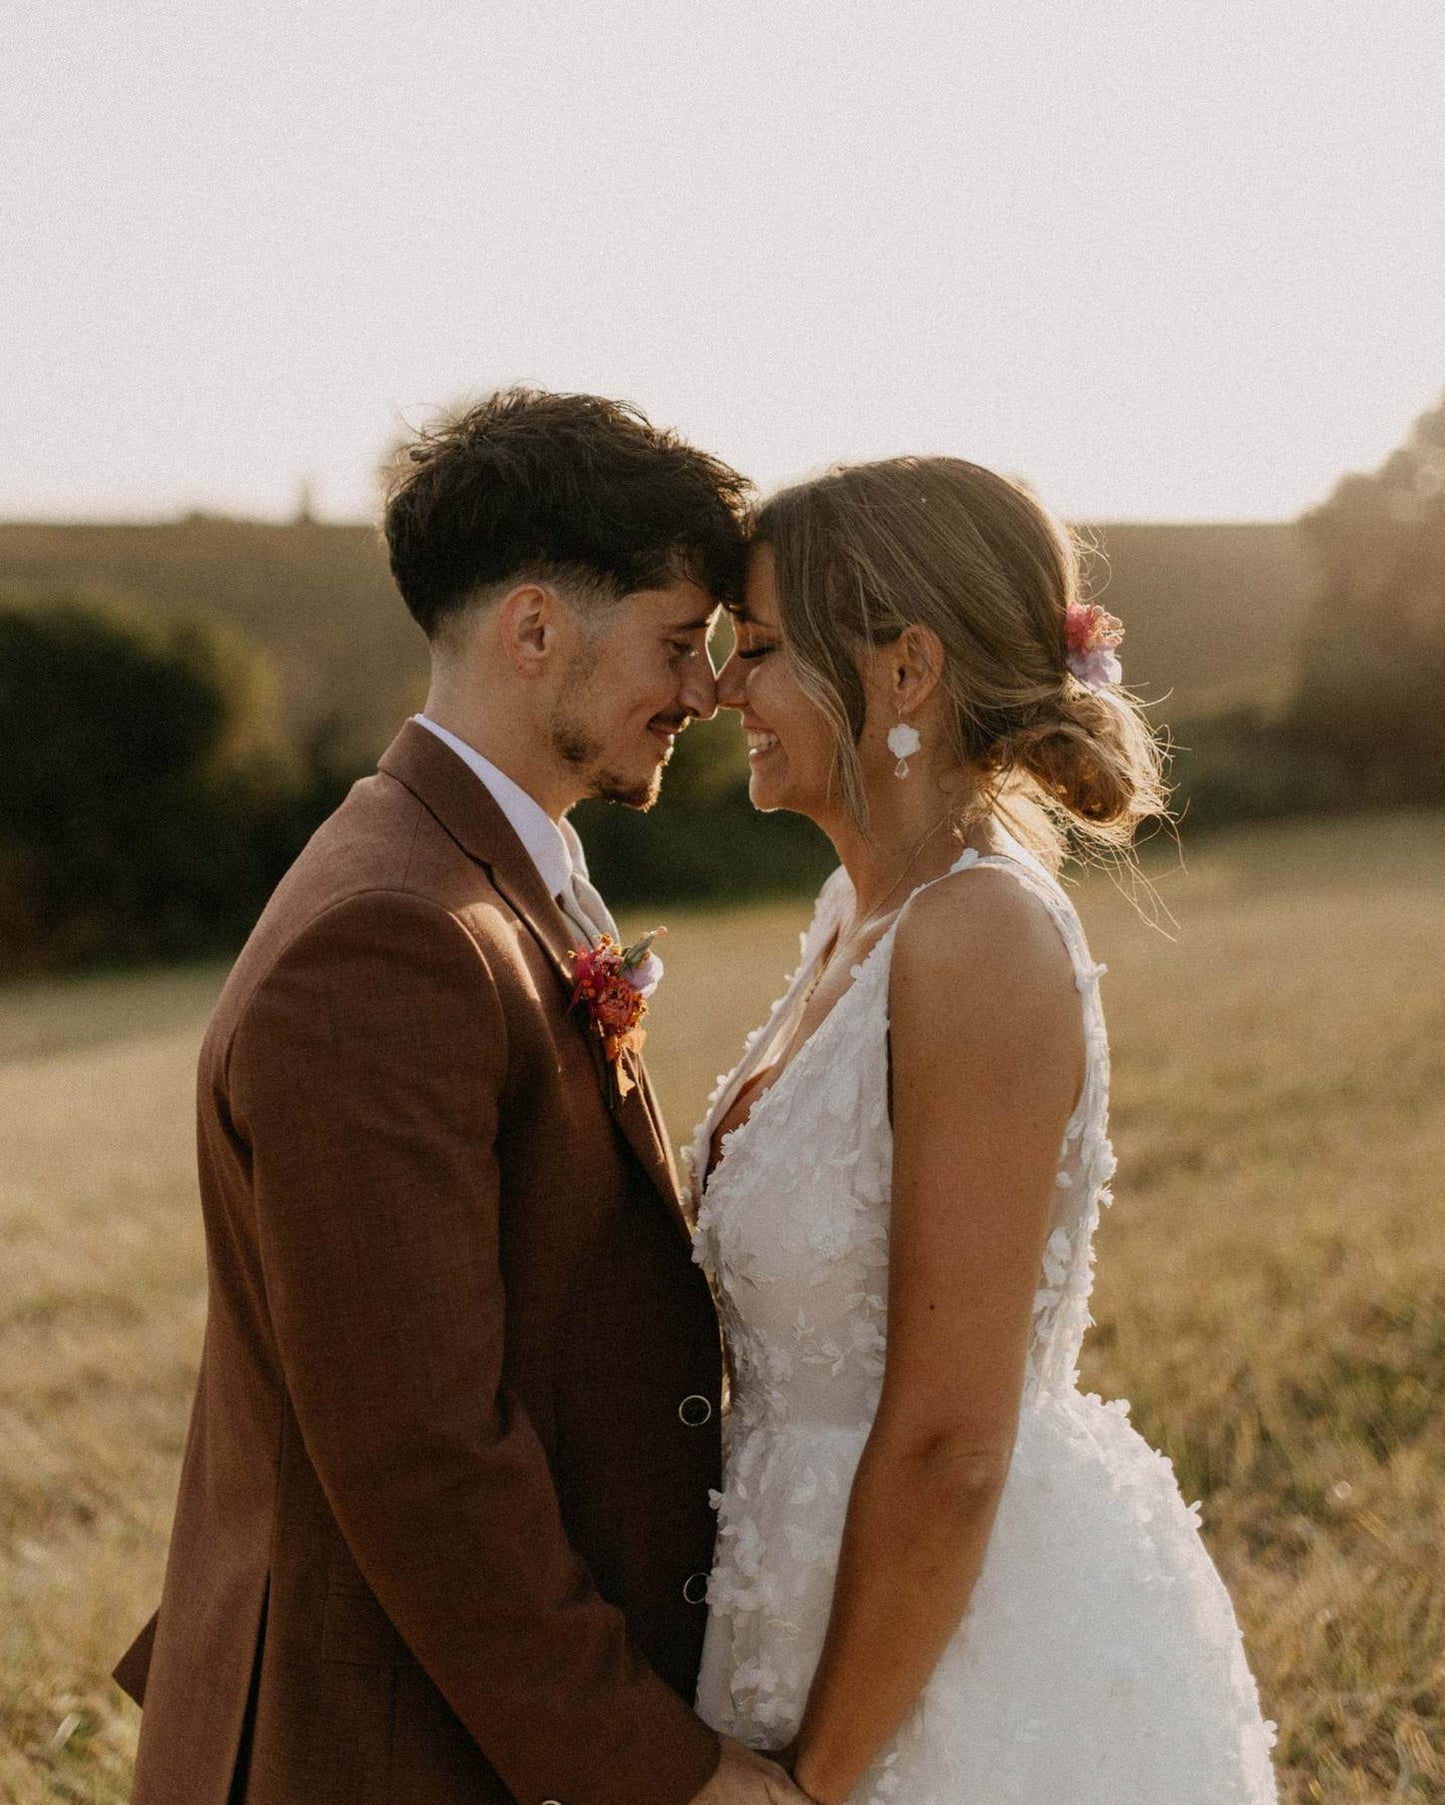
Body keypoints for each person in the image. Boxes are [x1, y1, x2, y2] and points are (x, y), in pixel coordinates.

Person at [112, 389, 808, 1805]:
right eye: (679, 643)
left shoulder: (468, 868)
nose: (704, 690)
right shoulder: (390, 939)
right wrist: (658, 1772)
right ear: (536, 629)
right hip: (369, 1748)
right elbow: (420, 1452)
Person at [688, 456, 1279, 1803]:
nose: (724, 688)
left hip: (940, 1672)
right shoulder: (858, 918)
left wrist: (814, 1780)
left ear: (902, 672)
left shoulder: (978, 938)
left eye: (763, 649)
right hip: (788, 1605)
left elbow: (954, 1437)